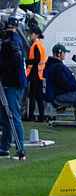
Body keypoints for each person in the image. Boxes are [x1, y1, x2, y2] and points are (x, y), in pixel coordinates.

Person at [0, 17, 27, 157]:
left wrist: (2, 67)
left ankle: (20, 148)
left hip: (13, 84)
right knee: (5, 117)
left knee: (13, 116)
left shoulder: (13, 43)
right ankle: (4, 148)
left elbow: (15, 61)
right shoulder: (13, 41)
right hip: (10, 83)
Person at [24, 24, 46, 122]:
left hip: (35, 74)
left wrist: (26, 61)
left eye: (31, 33)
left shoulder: (36, 45)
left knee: (33, 95)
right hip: (38, 74)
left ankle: (31, 116)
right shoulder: (39, 44)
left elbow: (36, 59)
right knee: (37, 96)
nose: (29, 35)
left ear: (36, 35)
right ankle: (41, 116)